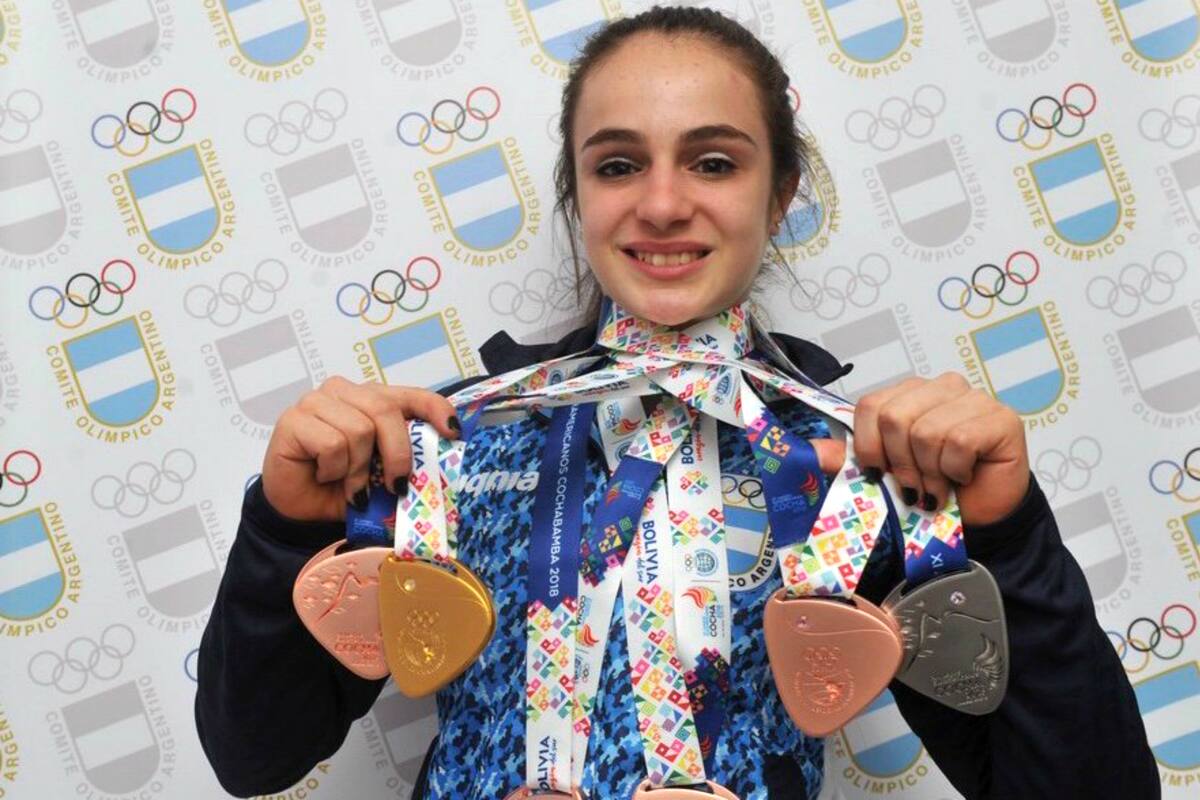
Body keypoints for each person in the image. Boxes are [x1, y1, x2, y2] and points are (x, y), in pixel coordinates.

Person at [195, 7, 1159, 799]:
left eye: (712, 161)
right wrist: (283, 530)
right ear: (578, 195)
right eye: (618, 164)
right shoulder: (447, 443)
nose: (660, 204)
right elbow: (255, 758)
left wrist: (1008, 535)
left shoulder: (856, 469)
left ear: (779, 193)